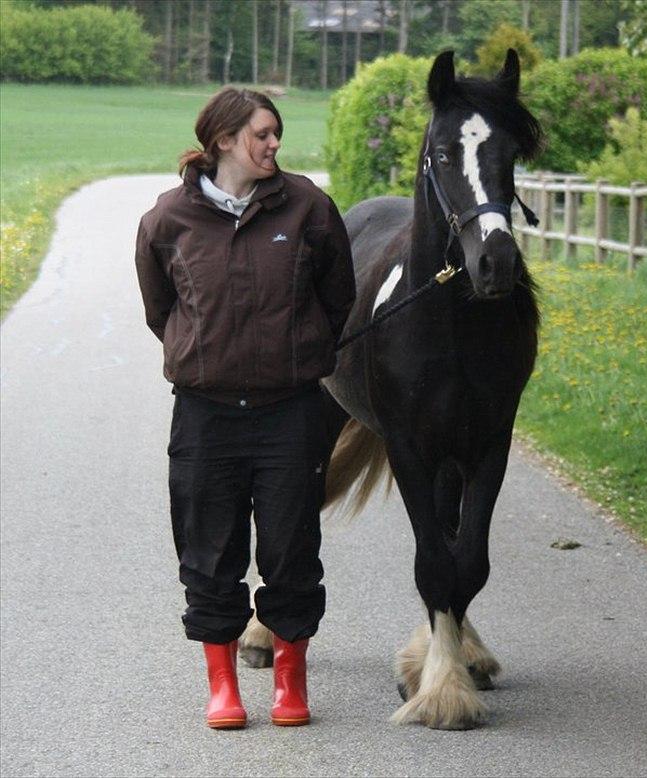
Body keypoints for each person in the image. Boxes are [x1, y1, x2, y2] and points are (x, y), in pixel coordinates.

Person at [134, 87, 355, 729]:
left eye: (276, 133)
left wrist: (296, 350)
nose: (274, 143)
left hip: (290, 413)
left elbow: (338, 298)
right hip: (205, 417)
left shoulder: (309, 208)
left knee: (291, 550)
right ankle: (223, 686)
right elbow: (160, 311)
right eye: (262, 134)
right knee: (208, 552)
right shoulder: (167, 219)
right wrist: (204, 353)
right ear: (224, 139)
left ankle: (290, 681)